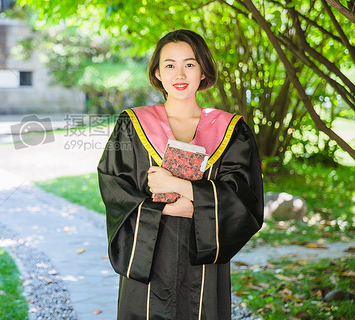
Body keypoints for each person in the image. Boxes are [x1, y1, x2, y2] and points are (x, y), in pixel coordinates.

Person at [97, 29, 264, 319]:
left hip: (204, 255)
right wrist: (163, 210)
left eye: (189, 64)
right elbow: (114, 187)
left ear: (203, 71)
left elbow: (245, 197)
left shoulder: (231, 130)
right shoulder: (133, 124)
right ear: (158, 73)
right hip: (149, 251)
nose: (180, 74)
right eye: (169, 65)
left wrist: (181, 188)